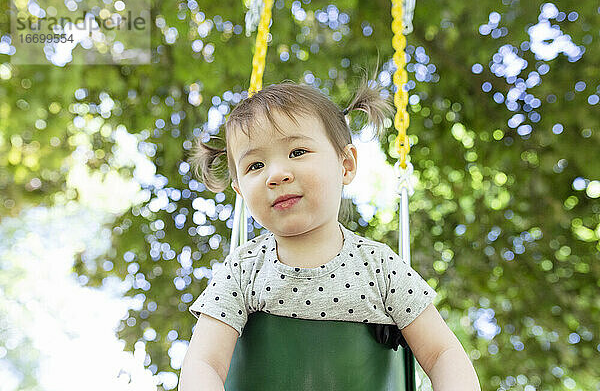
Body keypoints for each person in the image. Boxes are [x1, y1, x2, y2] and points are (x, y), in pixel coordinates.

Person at [179, 74, 481, 391]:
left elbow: (443, 353)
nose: (276, 175)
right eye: (255, 165)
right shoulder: (241, 270)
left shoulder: (380, 269)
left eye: (297, 152)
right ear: (239, 190)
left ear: (346, 164)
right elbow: (203, 363)